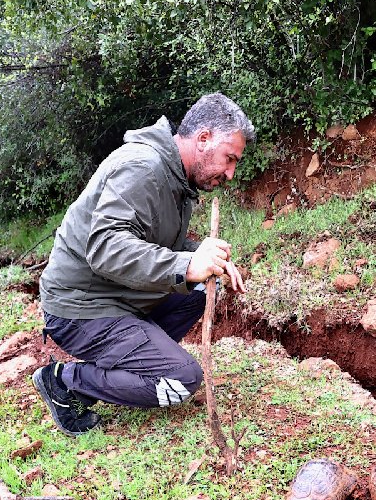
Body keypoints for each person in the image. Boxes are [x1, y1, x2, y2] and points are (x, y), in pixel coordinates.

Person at [33, 93, 252, 436]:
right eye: (229, 159)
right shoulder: (143, 168)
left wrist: (203, 256)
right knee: (181, 379)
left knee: (205, 284)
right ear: (203, 138)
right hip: (81, 306)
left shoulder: (177, 179)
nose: (230, 173)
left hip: (118, 295)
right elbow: (106, 248)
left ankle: (137, 358)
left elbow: (156, 242)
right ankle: (65, 381)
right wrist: (186, 264)